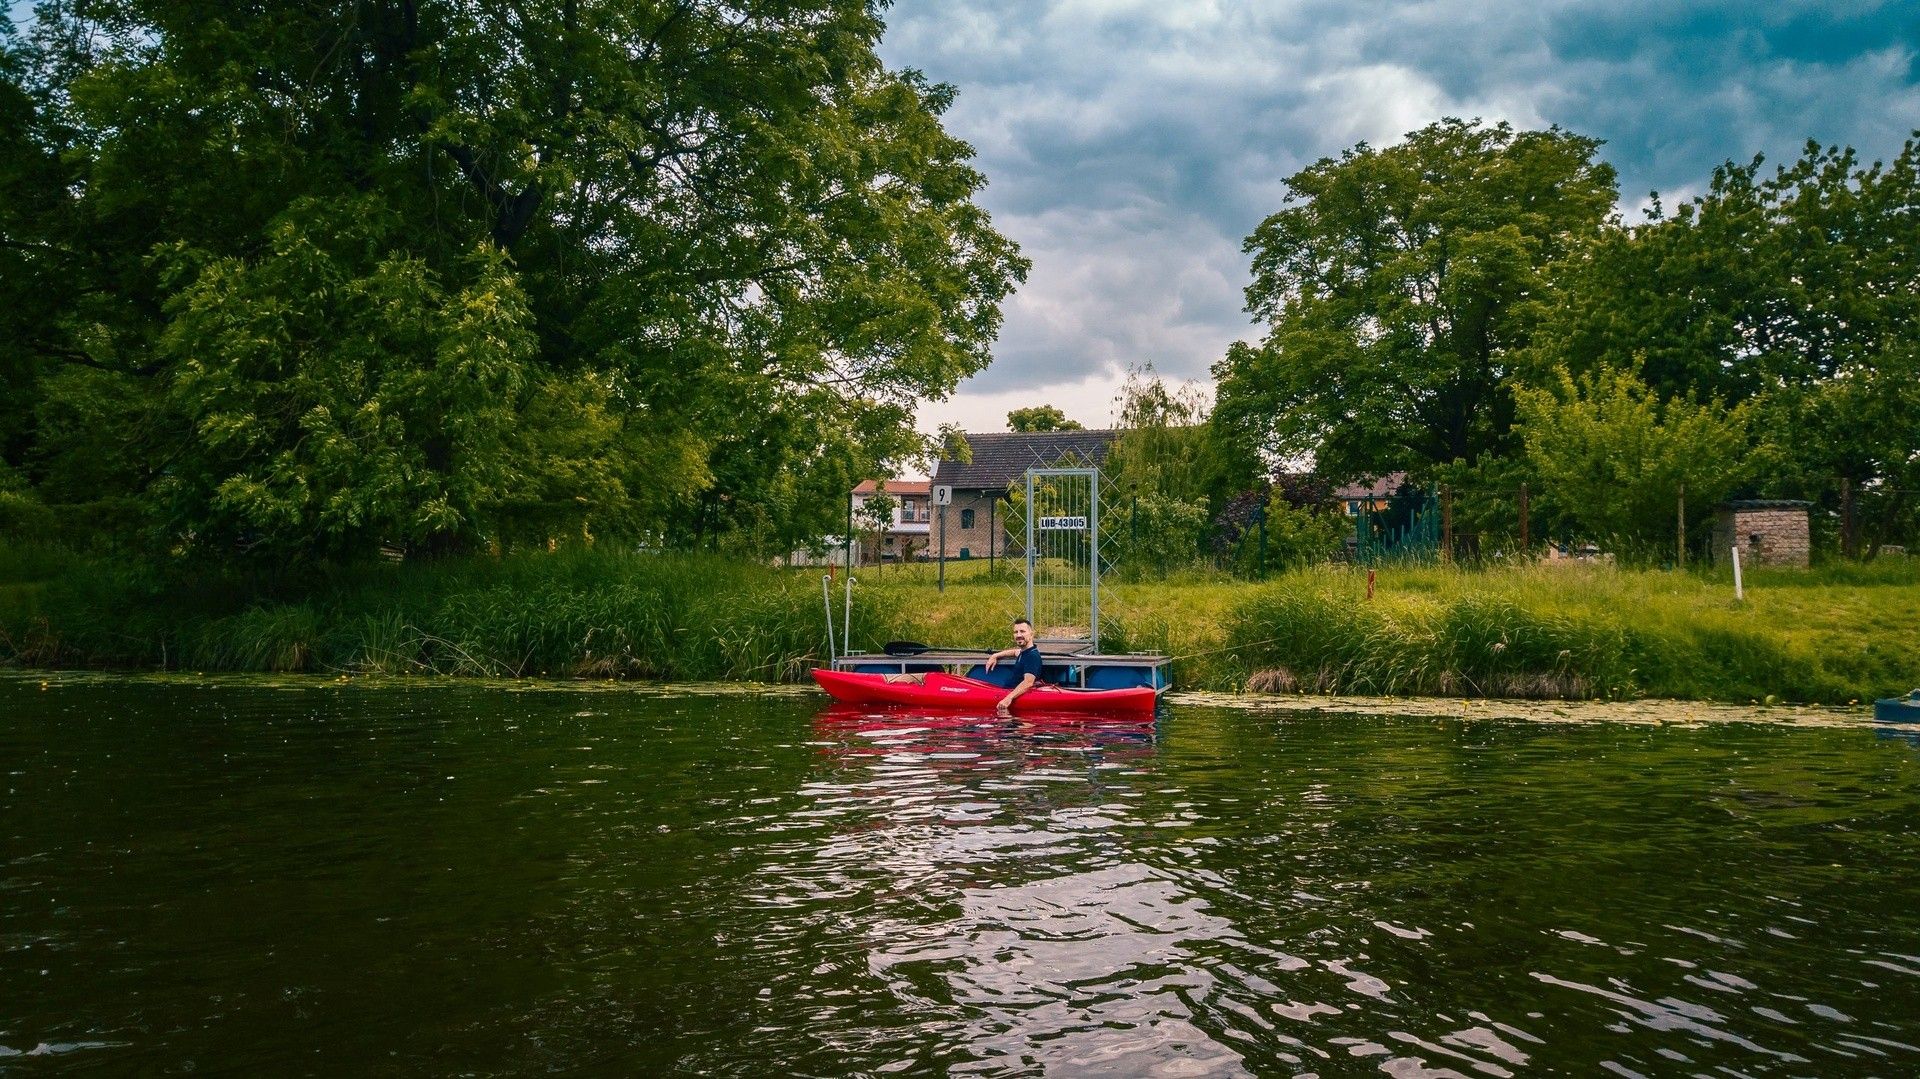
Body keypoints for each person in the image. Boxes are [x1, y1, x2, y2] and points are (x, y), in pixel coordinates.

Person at [982, 617, 1045, 714]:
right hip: (1006, 692)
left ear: (1031, 634)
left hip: (1012, 699)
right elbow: (1014, 652)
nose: (1018, 635)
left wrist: (1008, 698)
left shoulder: (1032, 656)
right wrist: (995, 655)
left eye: (1022, 631)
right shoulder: (1024, 652)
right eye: (1016, 632)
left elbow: (1028, 682)